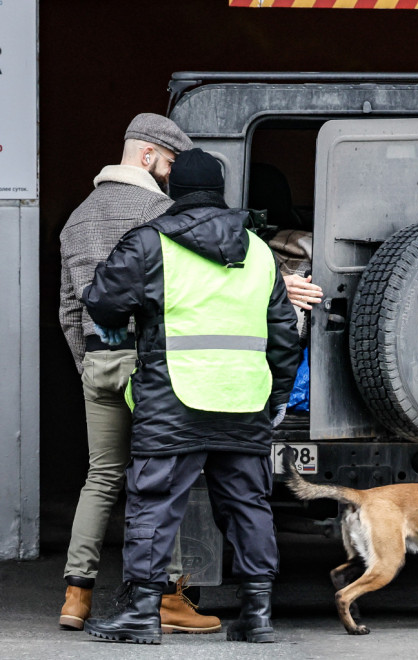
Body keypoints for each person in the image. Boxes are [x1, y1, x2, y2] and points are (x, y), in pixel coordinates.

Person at [80, 148, 300, 645]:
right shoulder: (259, 250)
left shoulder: (149, 243)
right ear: (220, 193)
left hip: (173, 400)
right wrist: (278, 397)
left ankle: (141, 613)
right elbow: (285, 336)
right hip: (244, 402)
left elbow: (101, 300)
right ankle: (257, 616)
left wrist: (124, 322)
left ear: (172, 192)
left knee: (155, 503)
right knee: (248, 505)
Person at [57, 113, 221, 634]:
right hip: (146, 364)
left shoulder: (76, 219)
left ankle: (75, 596)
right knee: (158, 479)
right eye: (169, 163)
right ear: (148, 156)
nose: (170, 175)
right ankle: (168, 596)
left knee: (100, 477)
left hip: (96, 363)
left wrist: (89, 363)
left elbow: (66, 308)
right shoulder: (160, 211)